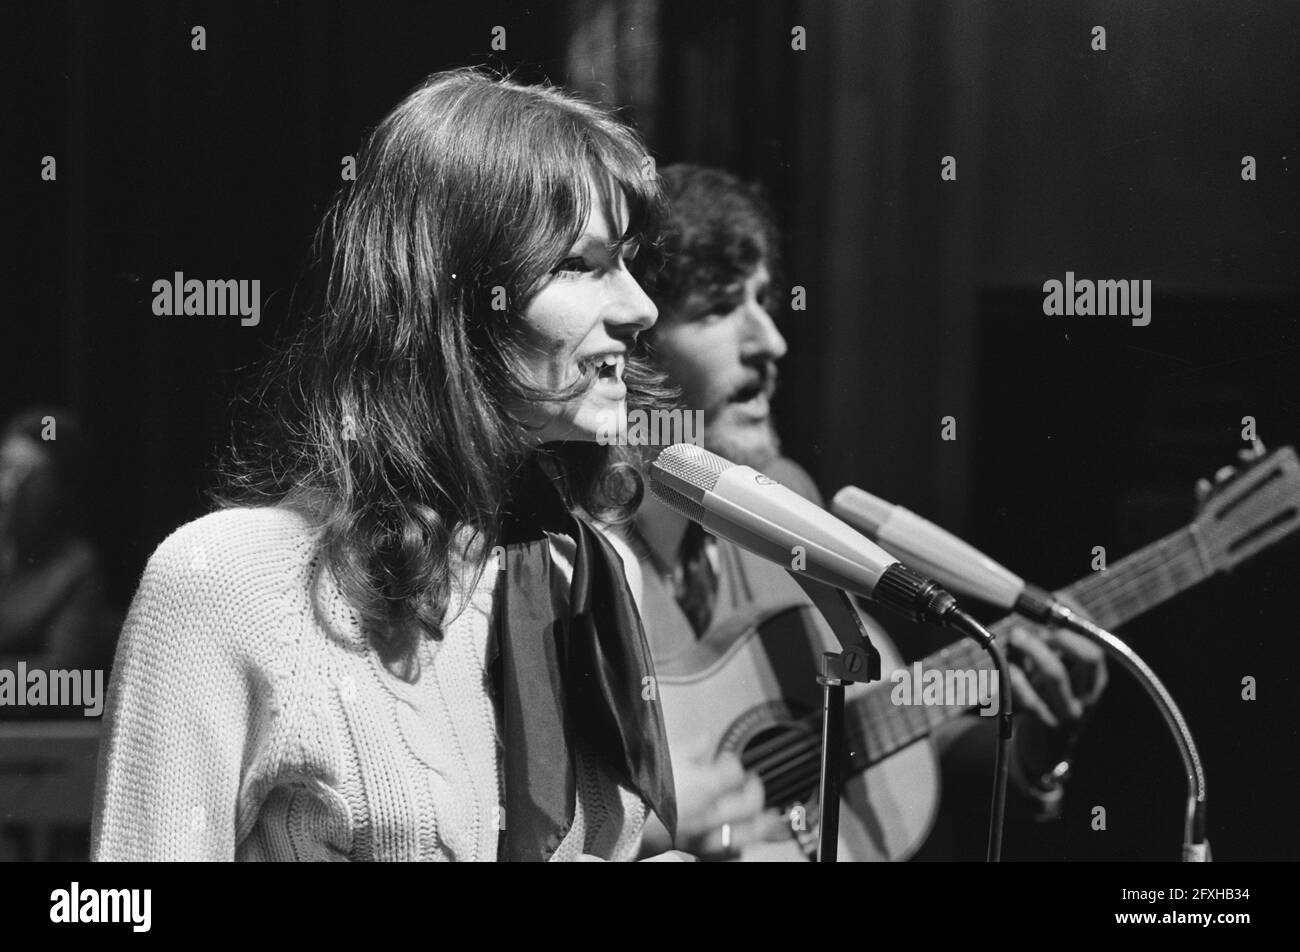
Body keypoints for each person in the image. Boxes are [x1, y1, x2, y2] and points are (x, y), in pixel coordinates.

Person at [91, 69, 689, 862]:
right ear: (456, 298)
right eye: (582, 264)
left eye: (631, 262)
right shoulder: (226, 581)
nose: (641, 307)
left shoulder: (587, 573)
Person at [617, 163, 1108, 860]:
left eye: (766, 301)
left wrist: (1036, 744)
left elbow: (887, 725)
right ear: (633, 346)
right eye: (722, 308)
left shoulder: (786, 499)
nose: (772, 343)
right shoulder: (571, 552)